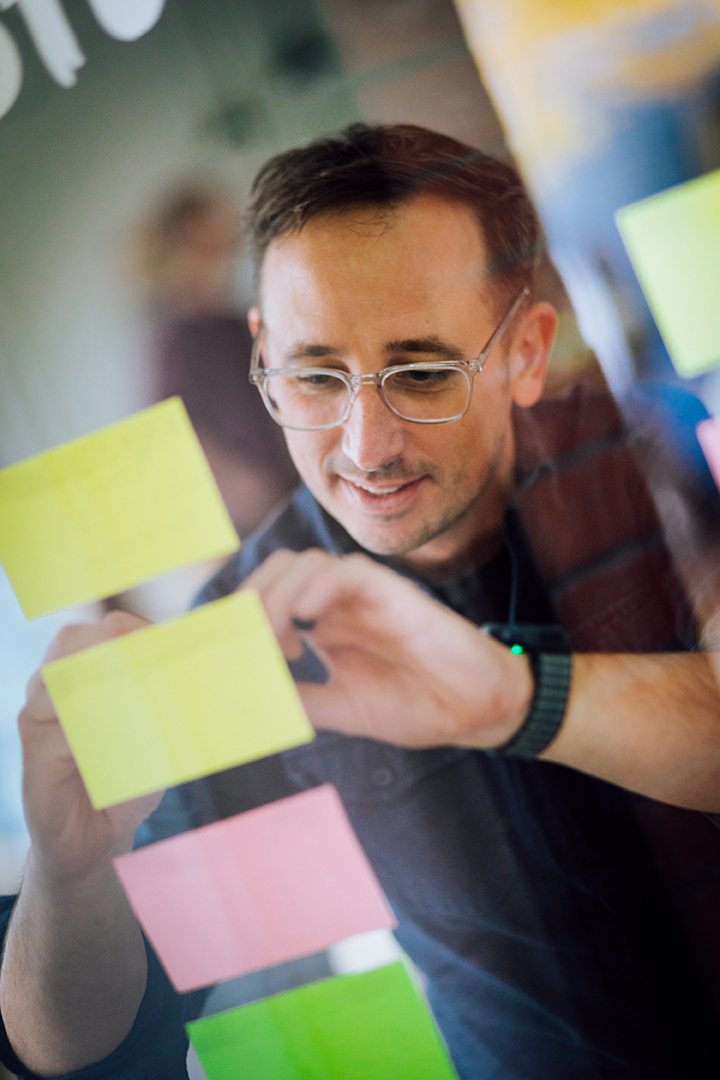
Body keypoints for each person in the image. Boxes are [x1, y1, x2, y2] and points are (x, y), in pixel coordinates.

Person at [3, 124, 720, 1080]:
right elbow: (74, 1051)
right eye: (314, 377)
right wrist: (69, 870)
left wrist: (519, 697)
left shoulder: (654, 457)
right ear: (262, 354)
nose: (365, 447)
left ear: (526, 353)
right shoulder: (252, 627)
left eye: (422, 374)